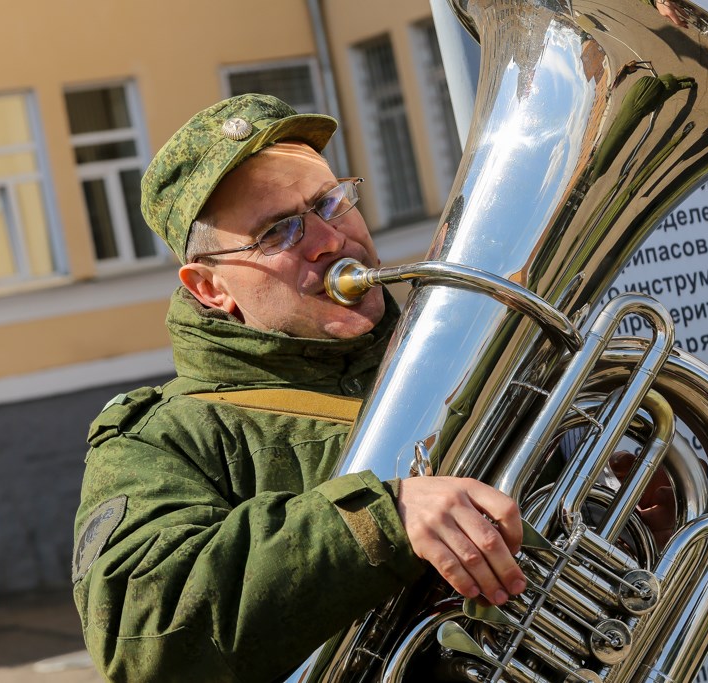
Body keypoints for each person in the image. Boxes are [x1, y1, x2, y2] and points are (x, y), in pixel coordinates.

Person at [71, 94, 527, 683]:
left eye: (330, 202)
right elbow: (142, 632)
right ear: (210, 288)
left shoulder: (474, 359)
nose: (328, 241)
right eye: (278, 233)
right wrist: (378, 519)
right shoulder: (160, 441)